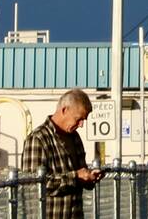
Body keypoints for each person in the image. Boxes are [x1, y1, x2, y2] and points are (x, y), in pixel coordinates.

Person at [22, 89, 104, 219]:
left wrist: (89, 178)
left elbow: (79, 176)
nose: (81, 125)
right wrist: (76, 177)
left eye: (84, 120)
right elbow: (33, 185)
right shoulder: (38, 139)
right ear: (64, 110)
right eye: (78, 119)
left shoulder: (75, 137)